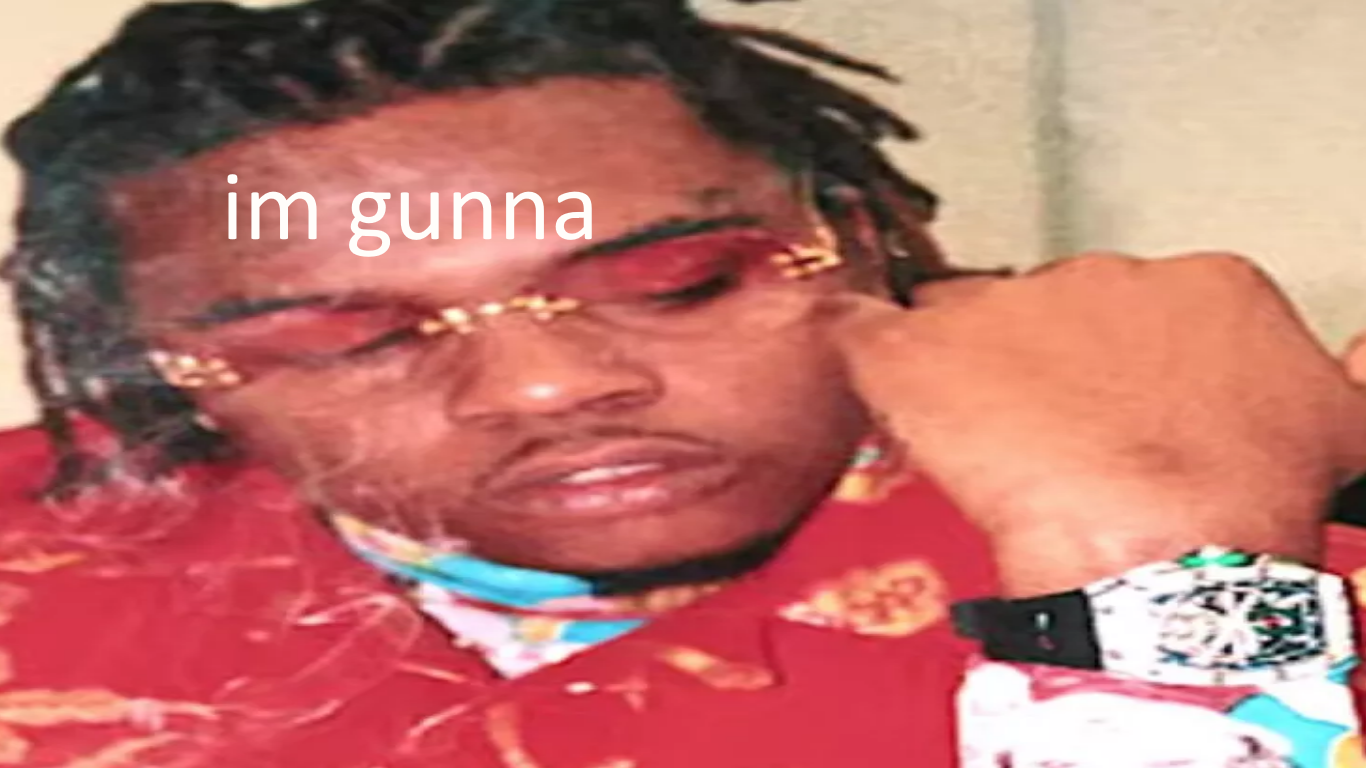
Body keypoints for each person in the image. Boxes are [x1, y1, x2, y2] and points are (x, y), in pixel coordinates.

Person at [0, 0, 1364, 765]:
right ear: (151, 365)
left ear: (861, 234)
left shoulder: (1303, 536)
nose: (545, 387)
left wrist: (1170, 586)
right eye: (341, 338)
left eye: (681, 281)